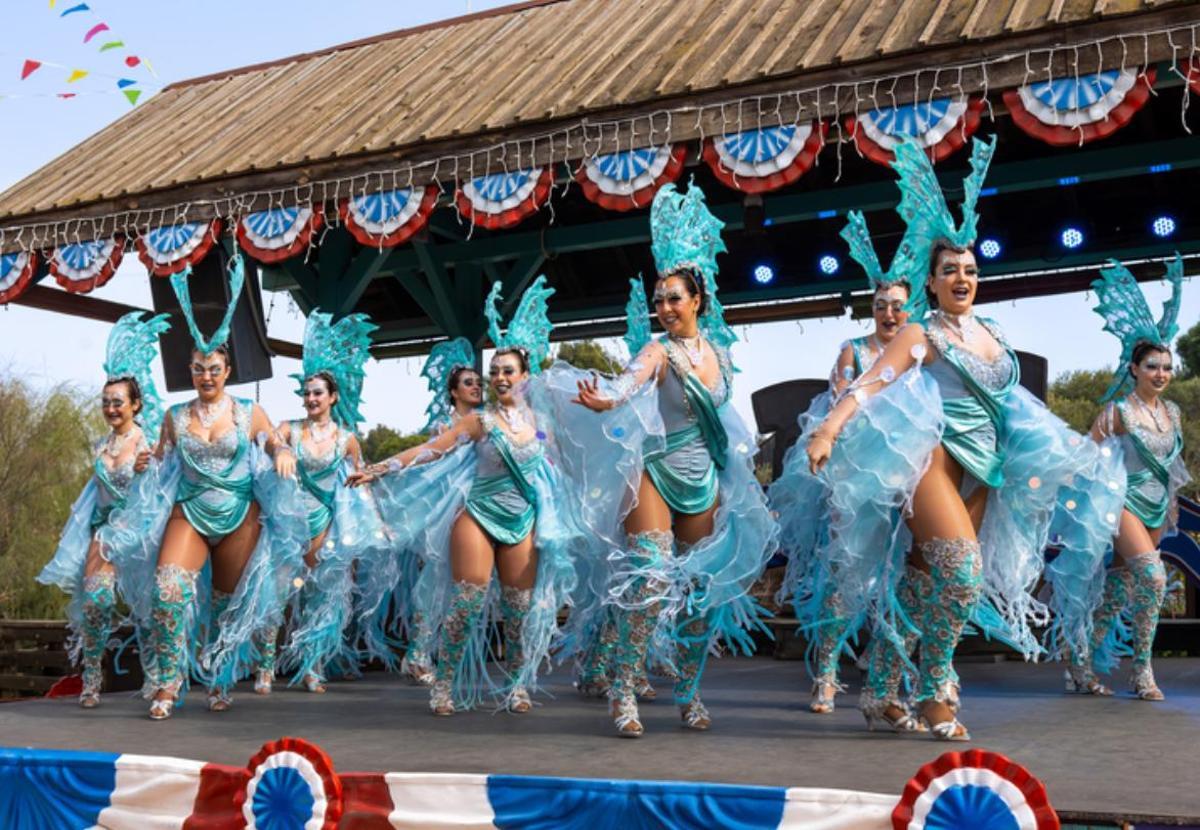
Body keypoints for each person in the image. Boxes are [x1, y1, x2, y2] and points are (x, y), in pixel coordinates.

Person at [804, 137, 1123, 741]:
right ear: (931, 281)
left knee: (924, 583)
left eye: (971, 270)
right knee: (961, 575)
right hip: (933, 461)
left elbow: (1016, 405)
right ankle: (933, 692)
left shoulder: (995, 333)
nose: (962, 277)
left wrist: (1070, 449)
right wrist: (827, 429)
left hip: (986, 467)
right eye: (950, 270)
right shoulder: (920, 334)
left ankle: (880, 689)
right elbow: (871, 384)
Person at [548, 181, 779, 737]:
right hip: (654, 472)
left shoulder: (720, 356)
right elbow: (632, 380)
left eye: (674, 298)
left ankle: (691, 690)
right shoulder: (658, 349)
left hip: (703, 478)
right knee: (650, 582)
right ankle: (624, 688)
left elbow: (723, 422)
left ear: (697, 300)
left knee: (699, 595)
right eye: (659, 299)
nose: (665, 307)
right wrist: (607, 398)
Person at [350, 278, 580, 716]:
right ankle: (445, 683)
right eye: (494, 372)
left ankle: (516, 685)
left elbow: (565, 463)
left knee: (519, 612)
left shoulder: (542, 423)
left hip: (522, 520)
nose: (498, 378)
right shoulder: (480, 422)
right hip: (477, 514)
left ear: (525, 377)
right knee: (468, 603)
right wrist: (380, 467)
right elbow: (428, 450)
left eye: (507, 371)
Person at [101, 254, 308, 720]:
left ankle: (219, 677)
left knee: (225, 605)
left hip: (238, 513)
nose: (206, 376)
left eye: (213, 368)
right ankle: (169, 682)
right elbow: (159, 461)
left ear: (227, 371)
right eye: (198, 369)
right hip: (190, 509)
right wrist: (143, 463)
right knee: (169, 588)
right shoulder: (175, 417)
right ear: (189, 370)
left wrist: (282, 452)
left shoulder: (247, 413)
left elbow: (273, 441)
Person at [769, 208, 916, 715]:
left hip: (909, 476)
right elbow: (841, 406)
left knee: (904, 577)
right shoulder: (853, 350)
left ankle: (889, 673)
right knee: (845, 575)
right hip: (854, 475)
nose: (890, 315)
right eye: (881, 306)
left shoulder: (920, 352)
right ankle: (827, 673)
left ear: (910, 309)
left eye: (898, 306)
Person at [1066, 256, 1188, 701]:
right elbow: (1087, 454)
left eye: (1166, 367)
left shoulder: (1172, 412)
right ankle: (1142, 672)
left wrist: (1173, 498)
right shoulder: (1118, 412)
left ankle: (1079, 664)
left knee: (1118, 592)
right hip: (1124, 504)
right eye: (1152, 366)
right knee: (1154, 579)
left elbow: (1172, 462)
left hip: (1157, 505)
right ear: (1134, 369)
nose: (1161, 374)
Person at [38, 311, 170, 707]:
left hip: (142, 533)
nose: (111, 409)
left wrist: (152, 468)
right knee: (95, 602)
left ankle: (157, 678)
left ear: (135, 405)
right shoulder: (100, 445)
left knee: (150, 611)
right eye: (106, 402)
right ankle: (92, 677)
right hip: (105, 531)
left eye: (118, 402)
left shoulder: (149, 443)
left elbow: (165, 484)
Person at [261, 311, 385, 694]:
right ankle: (266, 666)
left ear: (333, 397)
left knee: (318, 595)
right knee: (278, 593)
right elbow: (269, 439)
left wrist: (373, 522)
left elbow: (358, 482)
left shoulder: (346, 438)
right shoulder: (289, 428)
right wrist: (280, 449)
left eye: (318, 393)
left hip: (324, 525)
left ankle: (312, 666)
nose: (311, 398)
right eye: (307, 392)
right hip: (287, 522)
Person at [355, 337, 483, 686]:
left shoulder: (490, 421)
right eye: (468, 383)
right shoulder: (447, 427)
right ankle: (419, 653)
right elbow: (428, 459)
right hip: (447, 509)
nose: (476, 387)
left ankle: (438, 652)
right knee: (438, 579)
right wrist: (383, 468)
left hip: (483, 506)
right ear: (454, 392)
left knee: (464, 585)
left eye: (478, 383)